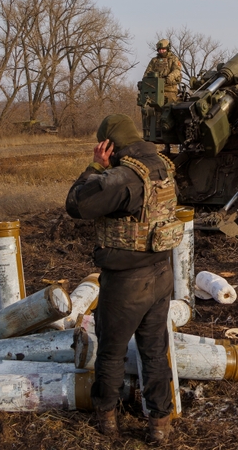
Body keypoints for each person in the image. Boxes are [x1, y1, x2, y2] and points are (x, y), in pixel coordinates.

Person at [65, 114, 183, 443]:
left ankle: (106, 420)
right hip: (162, 271)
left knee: (111, 353)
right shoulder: (162, 164)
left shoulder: (121, 176)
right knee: (154, 351)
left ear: (109, 145)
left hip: (127, 280)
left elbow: (77, 205)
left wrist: (96, 167)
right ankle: (159, 423)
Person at [143, 38, 183, 103]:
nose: (161, 51)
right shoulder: (154, 60)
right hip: (155, 90)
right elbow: (147, 73)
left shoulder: (173, 59)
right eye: (159, 49)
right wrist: (144, 82)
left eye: (163, 49)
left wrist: (169, 78)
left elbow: (177, 70)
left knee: (170, 108)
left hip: (170, 90)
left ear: (167, 49)